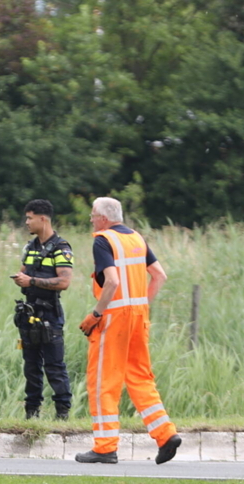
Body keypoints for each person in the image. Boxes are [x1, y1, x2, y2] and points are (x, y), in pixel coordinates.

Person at [75, 197, 181, 464]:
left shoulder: (103, 240)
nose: (91, 220)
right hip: (138, 317)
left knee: (102, 382)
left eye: (92, 215)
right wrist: (141, 304)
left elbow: (111, 281)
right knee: (140, 377)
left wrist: (96, 314)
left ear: (103, 217)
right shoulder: (136, 238)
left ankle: (105, 447)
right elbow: (159, 276)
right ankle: (165, 434)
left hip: (113, 319)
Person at [9, 199, 73, 420]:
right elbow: (24, 271)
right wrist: (21, 279)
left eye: (29, 217)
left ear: (42, 218)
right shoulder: (30, 247)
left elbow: (64, 282)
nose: (26, 222)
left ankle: (62, 414)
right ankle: (32, 413)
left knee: (55, 365)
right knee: (31, 366)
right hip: (29, 314)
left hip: (50, 316)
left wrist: (32, 281)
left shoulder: (61, 248)